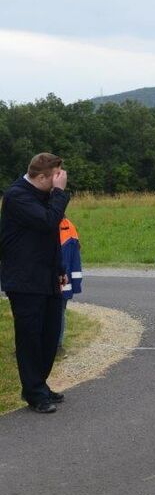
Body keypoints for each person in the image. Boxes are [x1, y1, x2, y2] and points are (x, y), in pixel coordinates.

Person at [0, 153, 69, 413]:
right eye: (55, 176)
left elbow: (51, 235)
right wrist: (59, 194)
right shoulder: (17, 196)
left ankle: (39, 384)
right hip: (24, 279)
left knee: (49, 335)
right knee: (30, 338)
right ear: (41, 177)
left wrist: (60, 267)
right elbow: (47, 221)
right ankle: (35, 393)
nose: (60, 180)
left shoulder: (42, 195)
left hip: (47, 275)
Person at [57, 217, 83, 358]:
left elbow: (75, 258)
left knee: (57, 313)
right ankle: (57, 348)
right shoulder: (69, 226)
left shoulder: (39, 220)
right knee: (58, 313)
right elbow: (76, 259)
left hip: (60, 281)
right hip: (62, 282)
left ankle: (57, 347)